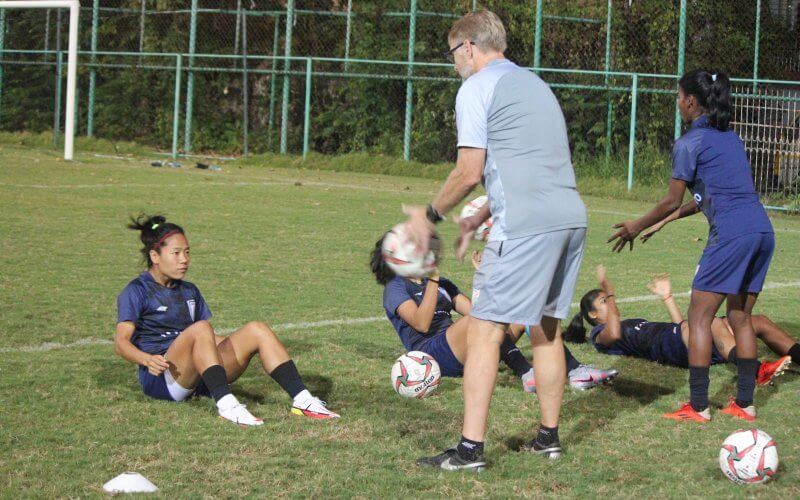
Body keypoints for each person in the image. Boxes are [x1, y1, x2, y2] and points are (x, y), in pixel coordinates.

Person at [405, 10, 588, 470]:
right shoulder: (536, 84)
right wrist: (483, 214)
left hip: (526, 226)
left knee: (485, 331)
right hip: (569, 218)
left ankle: (469, 449)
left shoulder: (476, 87)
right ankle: (548, 438)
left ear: (468, 46)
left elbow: (469, 171)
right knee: (545, 328)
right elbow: (530, 164)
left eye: (453, 54)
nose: (454, 64)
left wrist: (430, 216)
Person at [607, 69, 775, 422]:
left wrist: (635, 226)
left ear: (691, 101)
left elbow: (671, 199)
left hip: (730, 235)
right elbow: (704, 198)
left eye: (678, 96)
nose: (677, 103)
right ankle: (745, 403)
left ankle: (698, 407)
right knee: (740, 316)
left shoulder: (689, 143)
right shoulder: (731, 138)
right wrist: (669, 221)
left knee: (699, 317)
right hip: (761, 231)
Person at [115, 215, 339, 425]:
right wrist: (146, 360)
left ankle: (303, 401)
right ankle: (226, 405)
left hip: (198, 377)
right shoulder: (136, 290)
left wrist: (240, 347)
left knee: (257, 330)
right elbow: (121, 342)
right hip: (162, 379)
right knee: (201, 328)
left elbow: (208, 339)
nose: (184, 260)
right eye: (176, 253)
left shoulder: (190, 290)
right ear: (155, 256)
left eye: (187, 252)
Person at [370, 237, 618, 392]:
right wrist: (433, 280)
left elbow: (478, 310)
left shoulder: (443, 283)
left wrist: (483, 278)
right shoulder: (395, 287)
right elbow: (422, 324)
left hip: (467, 344)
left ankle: (575, 371)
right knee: (488, 316)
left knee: (528, 307)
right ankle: (525, 372)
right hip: (433, 353)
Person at [565, 267, 795, 392]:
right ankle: (756, 371)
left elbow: (679, 327)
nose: (612, 304)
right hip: (672, 349)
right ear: (593, 315)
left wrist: (667, 298)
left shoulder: (630, 321)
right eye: (604, 302)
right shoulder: (598, 335)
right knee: (711, 321)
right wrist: (610, 292)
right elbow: (613, 332)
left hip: (683, 337)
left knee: (759, 321)